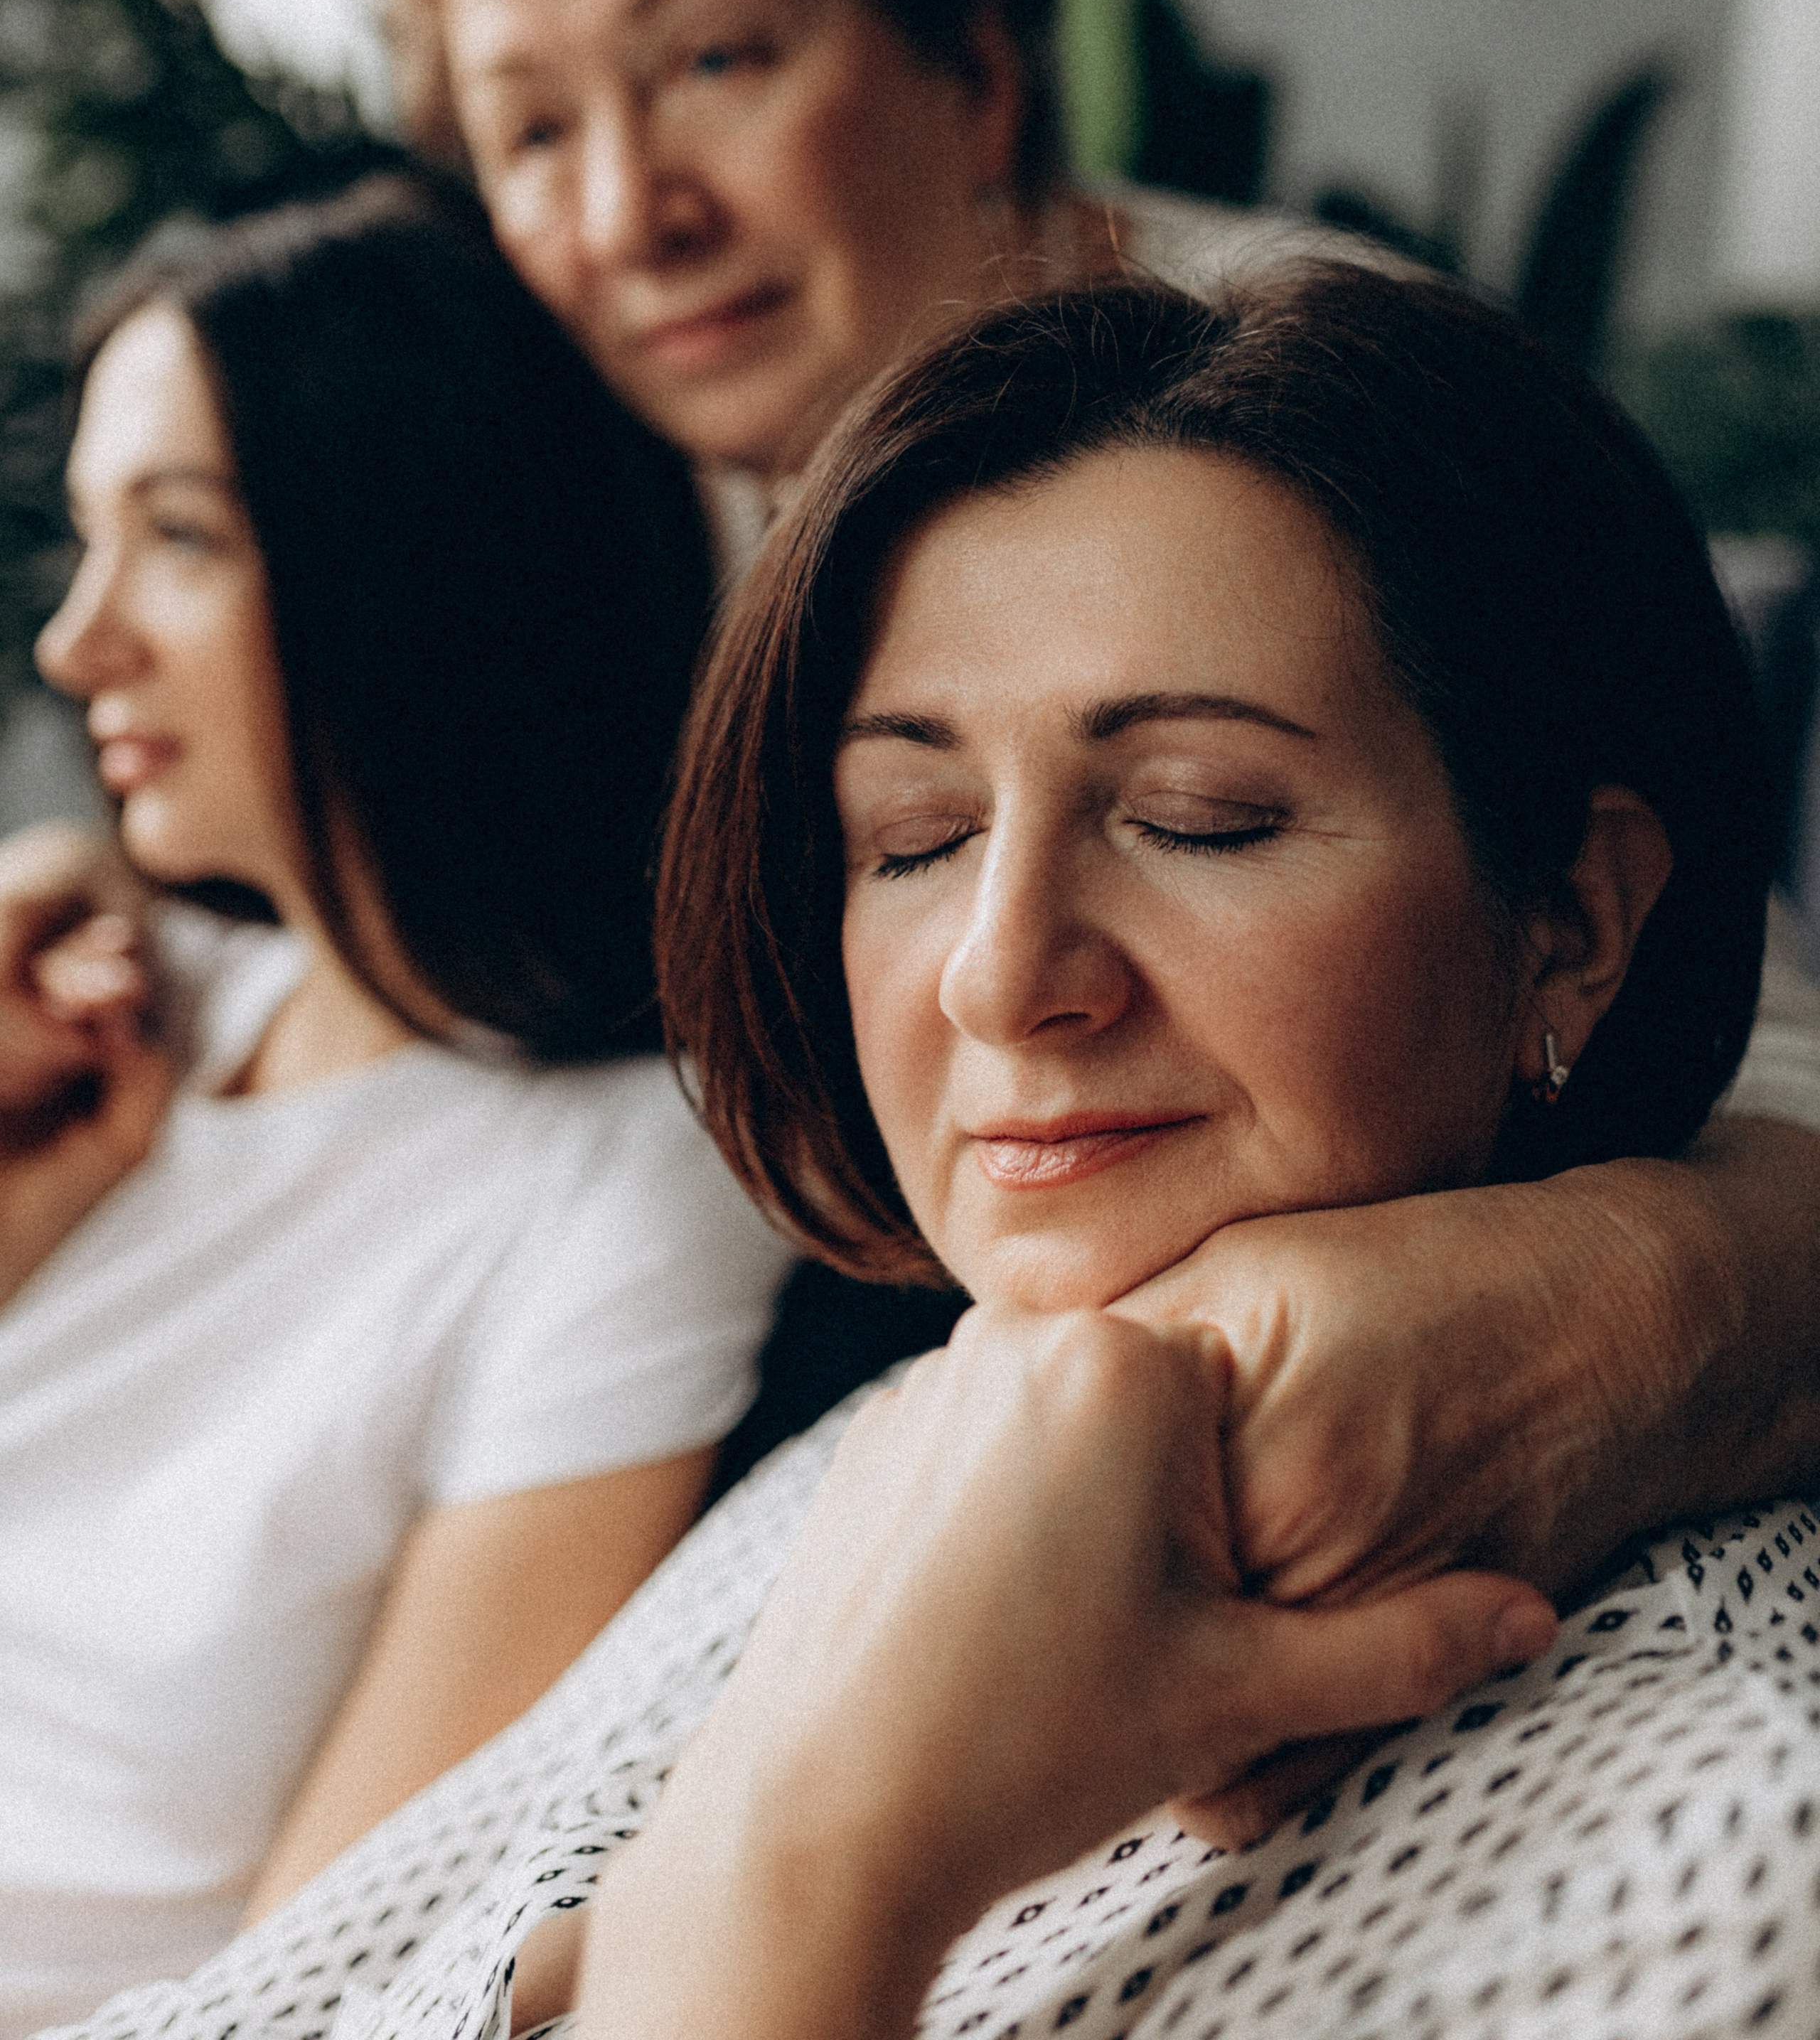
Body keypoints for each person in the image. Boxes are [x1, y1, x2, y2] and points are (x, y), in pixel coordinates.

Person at [50, 266, 1811, 2040]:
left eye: (1196, 817)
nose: (997, 970)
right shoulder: (866, 1470)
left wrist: (806, 1870)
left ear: (1572, 921)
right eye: (914, 836)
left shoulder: (1724, 1831)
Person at [346, 0, 1820, 1685]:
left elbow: (1745, 1047)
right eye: (527, 132)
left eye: (712, 61)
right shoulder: (606, 525)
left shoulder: (1304, 400)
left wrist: (1624, 1295)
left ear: (970, 59)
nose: (628, 212)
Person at [0, 176, 788, 2036]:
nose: (76, 643)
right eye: (87, 541)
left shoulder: (620, 1184)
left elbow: (327, 1972)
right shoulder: (119, 1019)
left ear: (408, 570)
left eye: (177, 540)